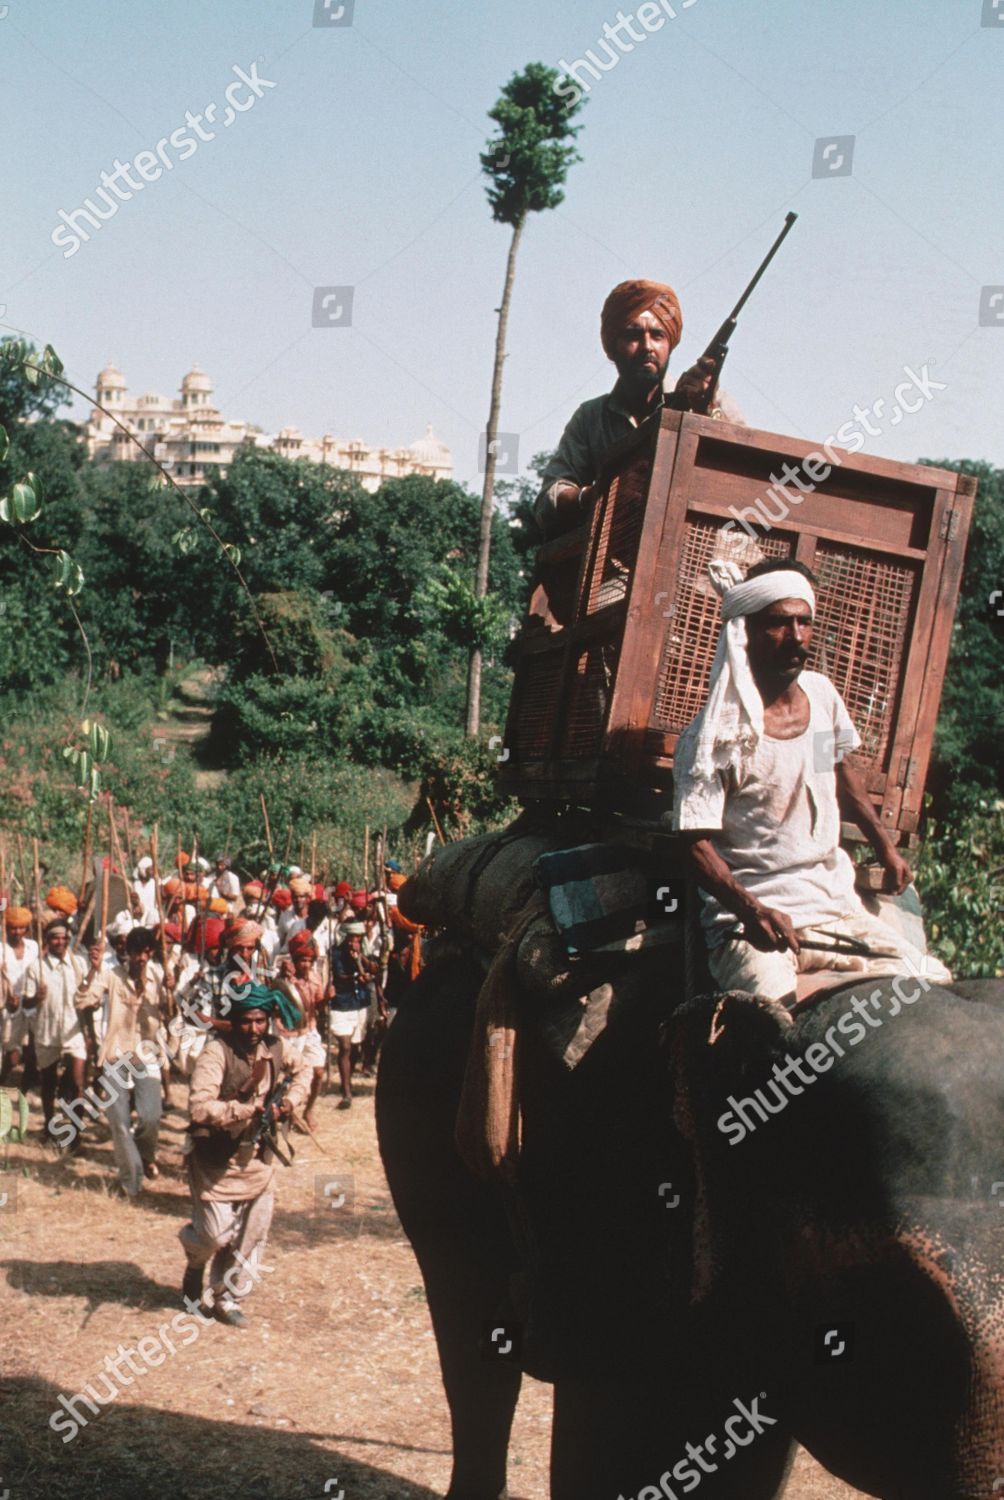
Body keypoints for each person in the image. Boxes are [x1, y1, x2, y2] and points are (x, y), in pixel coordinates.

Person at [673, 557, 953, 1004]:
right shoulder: (716, 733)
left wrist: (885, 846)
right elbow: (695, 843)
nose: (797, 638)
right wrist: (752, 909)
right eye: (779, 624)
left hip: (835, 909)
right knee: (774, 1024)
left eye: (805, 621)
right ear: (745, 630)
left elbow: (839, 772)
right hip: (752, 924)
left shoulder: (821, 697)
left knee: (932, 981)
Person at [534, 278, 741, 540]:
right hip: (619, 562)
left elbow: (741, 480)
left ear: (669, 343)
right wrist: (596, 495)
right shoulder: (590, 417)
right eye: (633, 335)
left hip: (705, 553)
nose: (647, 347)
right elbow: (546, 504)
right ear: (613, 347)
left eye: (658, 335)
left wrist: (705, 414)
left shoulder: (712, 401)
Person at [179, 981, 312, 1327]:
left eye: (260, 1021)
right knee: (214, 1235)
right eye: (245, 1021)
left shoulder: (276, 1047)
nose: (253, 1029)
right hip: (215, 1159)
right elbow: (199, 1108)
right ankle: (196, 1263)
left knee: (253, 1230)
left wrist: (289, 1102)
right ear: (233, 1021)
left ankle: (228, 1298)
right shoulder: (215, 1053)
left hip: (257, 1158)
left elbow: (305, 1070)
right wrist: (245, 1110)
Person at [76, 925, 174, 1196]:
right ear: (127, 953)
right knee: (118, 1121)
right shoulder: (111, 976)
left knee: (151, 1117)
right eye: (136, 952)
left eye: (146, 952)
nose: (141, 958)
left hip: (147, 1055)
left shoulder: (158, 976)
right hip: (116, 1056)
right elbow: (82, 1000)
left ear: (151, 953)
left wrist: (170, 993)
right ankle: (131, 1181)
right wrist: (93, 970)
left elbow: (173, 1014)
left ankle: (145, 1153)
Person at [23, 918, 88, 1148]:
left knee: (78, 1084)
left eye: (63, 937)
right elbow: (26, 1004)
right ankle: (50, 1125)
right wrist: (35, 997)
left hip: (74, 1031)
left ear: (68, 939)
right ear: (47, 941)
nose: (59, 942)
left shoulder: (80, 964)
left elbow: (90, 994)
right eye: (54, 937)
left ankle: (75, 1134)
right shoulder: (36, 968)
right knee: (49, 1082)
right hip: (47, 1032)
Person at [275, 930, 328, 1127]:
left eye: (309, 960)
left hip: (309, 1030)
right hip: (287, 1033)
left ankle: (309, 1110)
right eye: (302, 960)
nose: (305, 965)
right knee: (290, 1075)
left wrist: (328, 998)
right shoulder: (283, 979)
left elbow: (316, 1006)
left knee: (319, 1072)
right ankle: (288, 1111)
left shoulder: (315, 978)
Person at [328, 928, 371, 1109]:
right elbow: (338, 976)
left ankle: (348, 1079)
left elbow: (374, 968)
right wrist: (356, 974)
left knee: (354, 1047)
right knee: (344, 1046)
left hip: (359, 1003)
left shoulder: (362, 953)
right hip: (340, 1004)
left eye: (357, 940)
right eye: (351, 940)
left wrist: (361, 960)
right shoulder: (335, 955)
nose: (354, 943)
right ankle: (346, 1093)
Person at [0, 905, 40, 1088]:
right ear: (6, 928)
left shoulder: (33, 947)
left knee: (33, 1046)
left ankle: (29, 1079)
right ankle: (3, 1076)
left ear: (26, 928)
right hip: (8, 1005)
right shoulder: (1, 949)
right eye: (13, 928)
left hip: (31, 1002)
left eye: (21, 927)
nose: (17, 932)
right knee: (12, 1054)